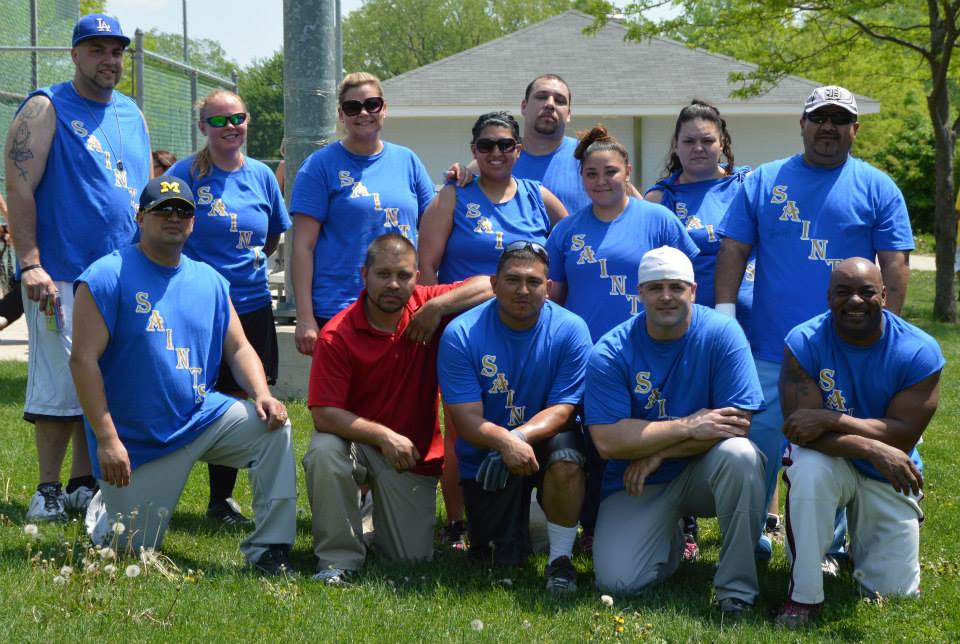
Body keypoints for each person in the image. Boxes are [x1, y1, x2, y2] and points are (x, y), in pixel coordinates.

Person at [715, 85, 914, 559]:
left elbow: (895, 264)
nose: (829, 127)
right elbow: (733, 250)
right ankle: (746, 544)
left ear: (854, 129)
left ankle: (826, 547)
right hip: (767, 348)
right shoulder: (763, 181)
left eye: (839, 119)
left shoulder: (877, 186)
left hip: (844, 352)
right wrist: (726, 320)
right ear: (802, 125)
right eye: (819, 117)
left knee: (836, 445)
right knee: (753, 451)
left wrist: (886, 337)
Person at [72, 176, 297, 574]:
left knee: (274, 429)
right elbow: (83, 361)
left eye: (183, 211)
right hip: (138, 440)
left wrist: (261, 393)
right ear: (141, 217)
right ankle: (105, 508)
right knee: (127, 555)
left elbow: (240, 347)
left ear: (193, 222)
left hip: (200, 416)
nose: (174, 217)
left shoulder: (210, 280)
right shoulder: (105, 276)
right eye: (163, 209)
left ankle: (270, 549)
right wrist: (107, 440)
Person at [3, 14, 151, 522]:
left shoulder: (131, 111)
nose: (109, 61)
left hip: (117, 274)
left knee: (100, 378)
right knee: (58, 381)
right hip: (59, 271)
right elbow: (19, 186)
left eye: (117, 52)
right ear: (74, 54)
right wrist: (29, 263)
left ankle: (81, 484)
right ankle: (45, 489)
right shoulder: (47, 106)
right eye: (97, 50)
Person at [585, 246, 766, 616]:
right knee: (618, 582)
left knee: (741, 456)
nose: (666, 296)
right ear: (639, 294)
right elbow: (606, 440)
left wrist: (659, 451)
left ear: (694, 291)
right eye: (655, 287)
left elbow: (738, 423)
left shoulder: (723, 333)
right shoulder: (610, 351)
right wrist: (687, 425)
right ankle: (667, 541)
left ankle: (736, 591)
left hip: (698, 469)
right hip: (637, 482)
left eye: (676, 287)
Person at [302, 233, 493, 583]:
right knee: (324, 451)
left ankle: (368, 513)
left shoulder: (427, 306)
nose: (393, 284)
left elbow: (490, 285)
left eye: (403, 275)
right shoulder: (337, 334)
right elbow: (324, 414)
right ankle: (337, 562)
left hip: (411, 457)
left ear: (417, 277)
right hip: (359, 444)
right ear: (364, 275)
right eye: (383, 274)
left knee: (409, 558)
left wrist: (437, 307)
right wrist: (384, 435)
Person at [418, 110, 568, 546]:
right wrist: (434, 312)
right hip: (466, 330)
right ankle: (459, 521)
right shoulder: (454, 195)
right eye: (486, 145)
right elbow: (427, 263)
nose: (496, 153)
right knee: (460, 422)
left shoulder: (540, 196)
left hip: (529, 327)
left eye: (505, 145)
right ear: (473, 151)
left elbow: (577, 242)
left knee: (524, 411)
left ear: (519, 150)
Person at [546, 125, 698, 551]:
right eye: (591, 174)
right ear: (582, 178)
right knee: (600, 440)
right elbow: (555, 298)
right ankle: (593, 524)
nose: (601, 181)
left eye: (610, 171)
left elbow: (686, 280)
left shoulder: (658, 219)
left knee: (664, 429)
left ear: (627, 170)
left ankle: (684, 527)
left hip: (655, 349)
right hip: (592, 357)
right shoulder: (567, 231)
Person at [775, 258, 944, 628]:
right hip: (834, 460)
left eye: (867, 291)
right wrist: (871, 446)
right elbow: (801, 432)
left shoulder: (919, 351)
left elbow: (901, 435)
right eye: (843, 292)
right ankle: (803, 596)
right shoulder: (803, 342)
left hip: (889, 474)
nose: (855, 300)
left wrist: (830, 418)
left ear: (883, 295)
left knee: (894, 593)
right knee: (808, 467)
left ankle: (862, 547)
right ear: (828, 297)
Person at [438, 241, 592, 594]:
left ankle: (561, 560)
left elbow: (564, 408)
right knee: (496, 558)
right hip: (487, 456)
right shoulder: (461, 334)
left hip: (544, 444)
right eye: (512, 280)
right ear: (493, 284)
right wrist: (503, 443)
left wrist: (518, 438)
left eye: (534, 282)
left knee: (568, 454)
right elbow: (465, 419)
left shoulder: (571, 329)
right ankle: (528, 523)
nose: (523, 290)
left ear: (548, 288)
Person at [168, 89, 291, 527]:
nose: (230, 127)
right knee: (195, 398)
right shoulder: (185, 175)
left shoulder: (260, 175)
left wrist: (248, 263)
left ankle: (224, 500)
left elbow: (272, 235)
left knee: (247, 401)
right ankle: (162, 486)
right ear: (203, 127)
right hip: (199, 310)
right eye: (218, 121)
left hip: (252, 305)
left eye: (237, 118)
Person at [644, 101, 759, 560]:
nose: (698, 148)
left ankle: (759, 517)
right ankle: (684, 521)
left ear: (722, 143)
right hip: (681, 326)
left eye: (707, 140)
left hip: (742, 322)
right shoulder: (661, 197)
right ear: (675, 145)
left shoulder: (745, 186)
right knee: (686, 412)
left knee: (744, 417)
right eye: (688, 140)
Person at [290, 71, 435, 356]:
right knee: (343, 397)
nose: (364, 113)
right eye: (352, 107)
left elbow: (433, 228)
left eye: (372, 104)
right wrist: (305, 317)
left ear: (384, 109)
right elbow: (303, 247)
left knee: (397, 394)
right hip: (340, 304)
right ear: (341, 115)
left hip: (400, 301)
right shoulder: (319, 166)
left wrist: (467, 174)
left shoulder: (408, 161)